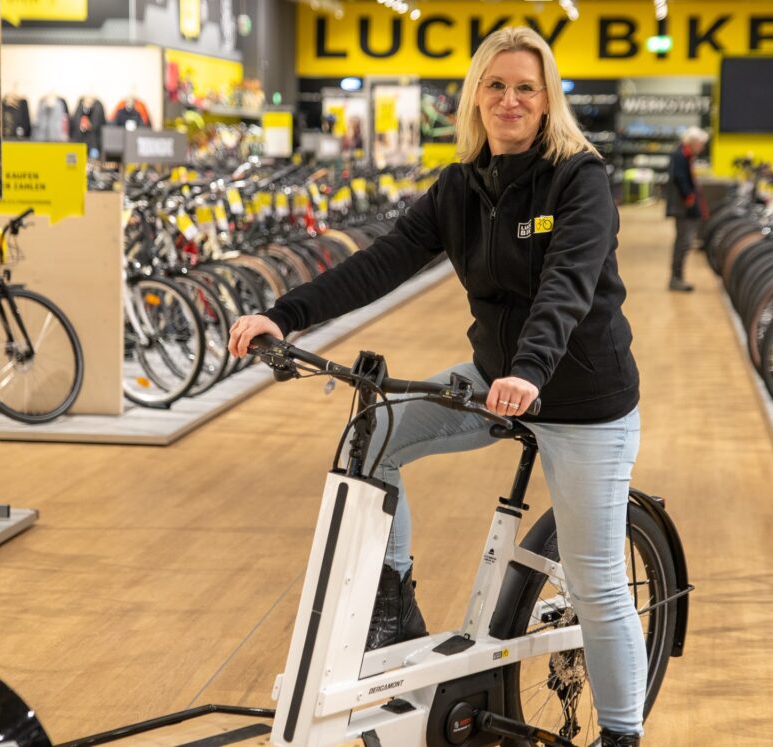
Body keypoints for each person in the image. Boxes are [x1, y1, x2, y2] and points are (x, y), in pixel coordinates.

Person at [228, 26, 645, 747]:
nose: (510, 100)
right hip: (493, 381)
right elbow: (381, 261)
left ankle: (622, 732)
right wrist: (283, 315)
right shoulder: (460, 186)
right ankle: (395, 613)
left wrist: (531, 368)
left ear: (547, 102)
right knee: (372, 438)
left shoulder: (581, 178)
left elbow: (567, 285)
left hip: (580, 399)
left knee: (597, 581)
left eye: (525, 87)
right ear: (474, 98)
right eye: (496, 86)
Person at [665, 126, 709, 292]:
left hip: (684, 207)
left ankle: (677, 278)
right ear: (693, 142)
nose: (702, 147)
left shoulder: (685, 154)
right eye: (701, 143)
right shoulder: (681, 155)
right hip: (683, 208)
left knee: (684, 242)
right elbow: (680, 178)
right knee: (683, 243)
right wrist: (689, 198)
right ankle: (676, 279)